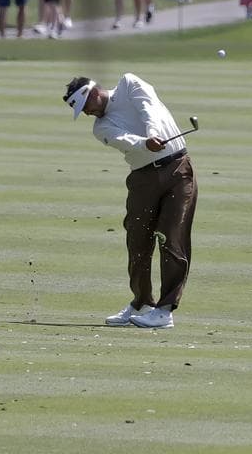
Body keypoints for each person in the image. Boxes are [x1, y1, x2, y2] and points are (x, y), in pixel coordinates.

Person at [62, 74, 198, 330]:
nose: (88, 113)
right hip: (142, 178)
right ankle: (142, 303)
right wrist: (146, 143)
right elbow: (124, 139)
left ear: (94, 93)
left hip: (178, 170)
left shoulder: (129, 84)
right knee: (137, 240)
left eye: (85, 107)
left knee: (171, 238)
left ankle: (165, 310)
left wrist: (153, 135)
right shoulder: (101, 128)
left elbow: (149, 109)